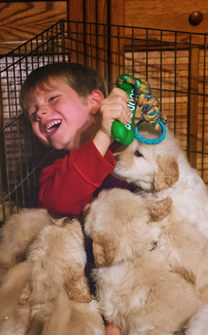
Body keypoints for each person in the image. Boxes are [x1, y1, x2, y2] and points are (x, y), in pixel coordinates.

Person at [20, 62, 134, 218]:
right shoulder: (52, 174)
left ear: (94, 102)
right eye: (34, 115)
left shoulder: (131, 148)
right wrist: (105, 135)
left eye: (53, 98)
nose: (39, 113)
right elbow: (60, 206)